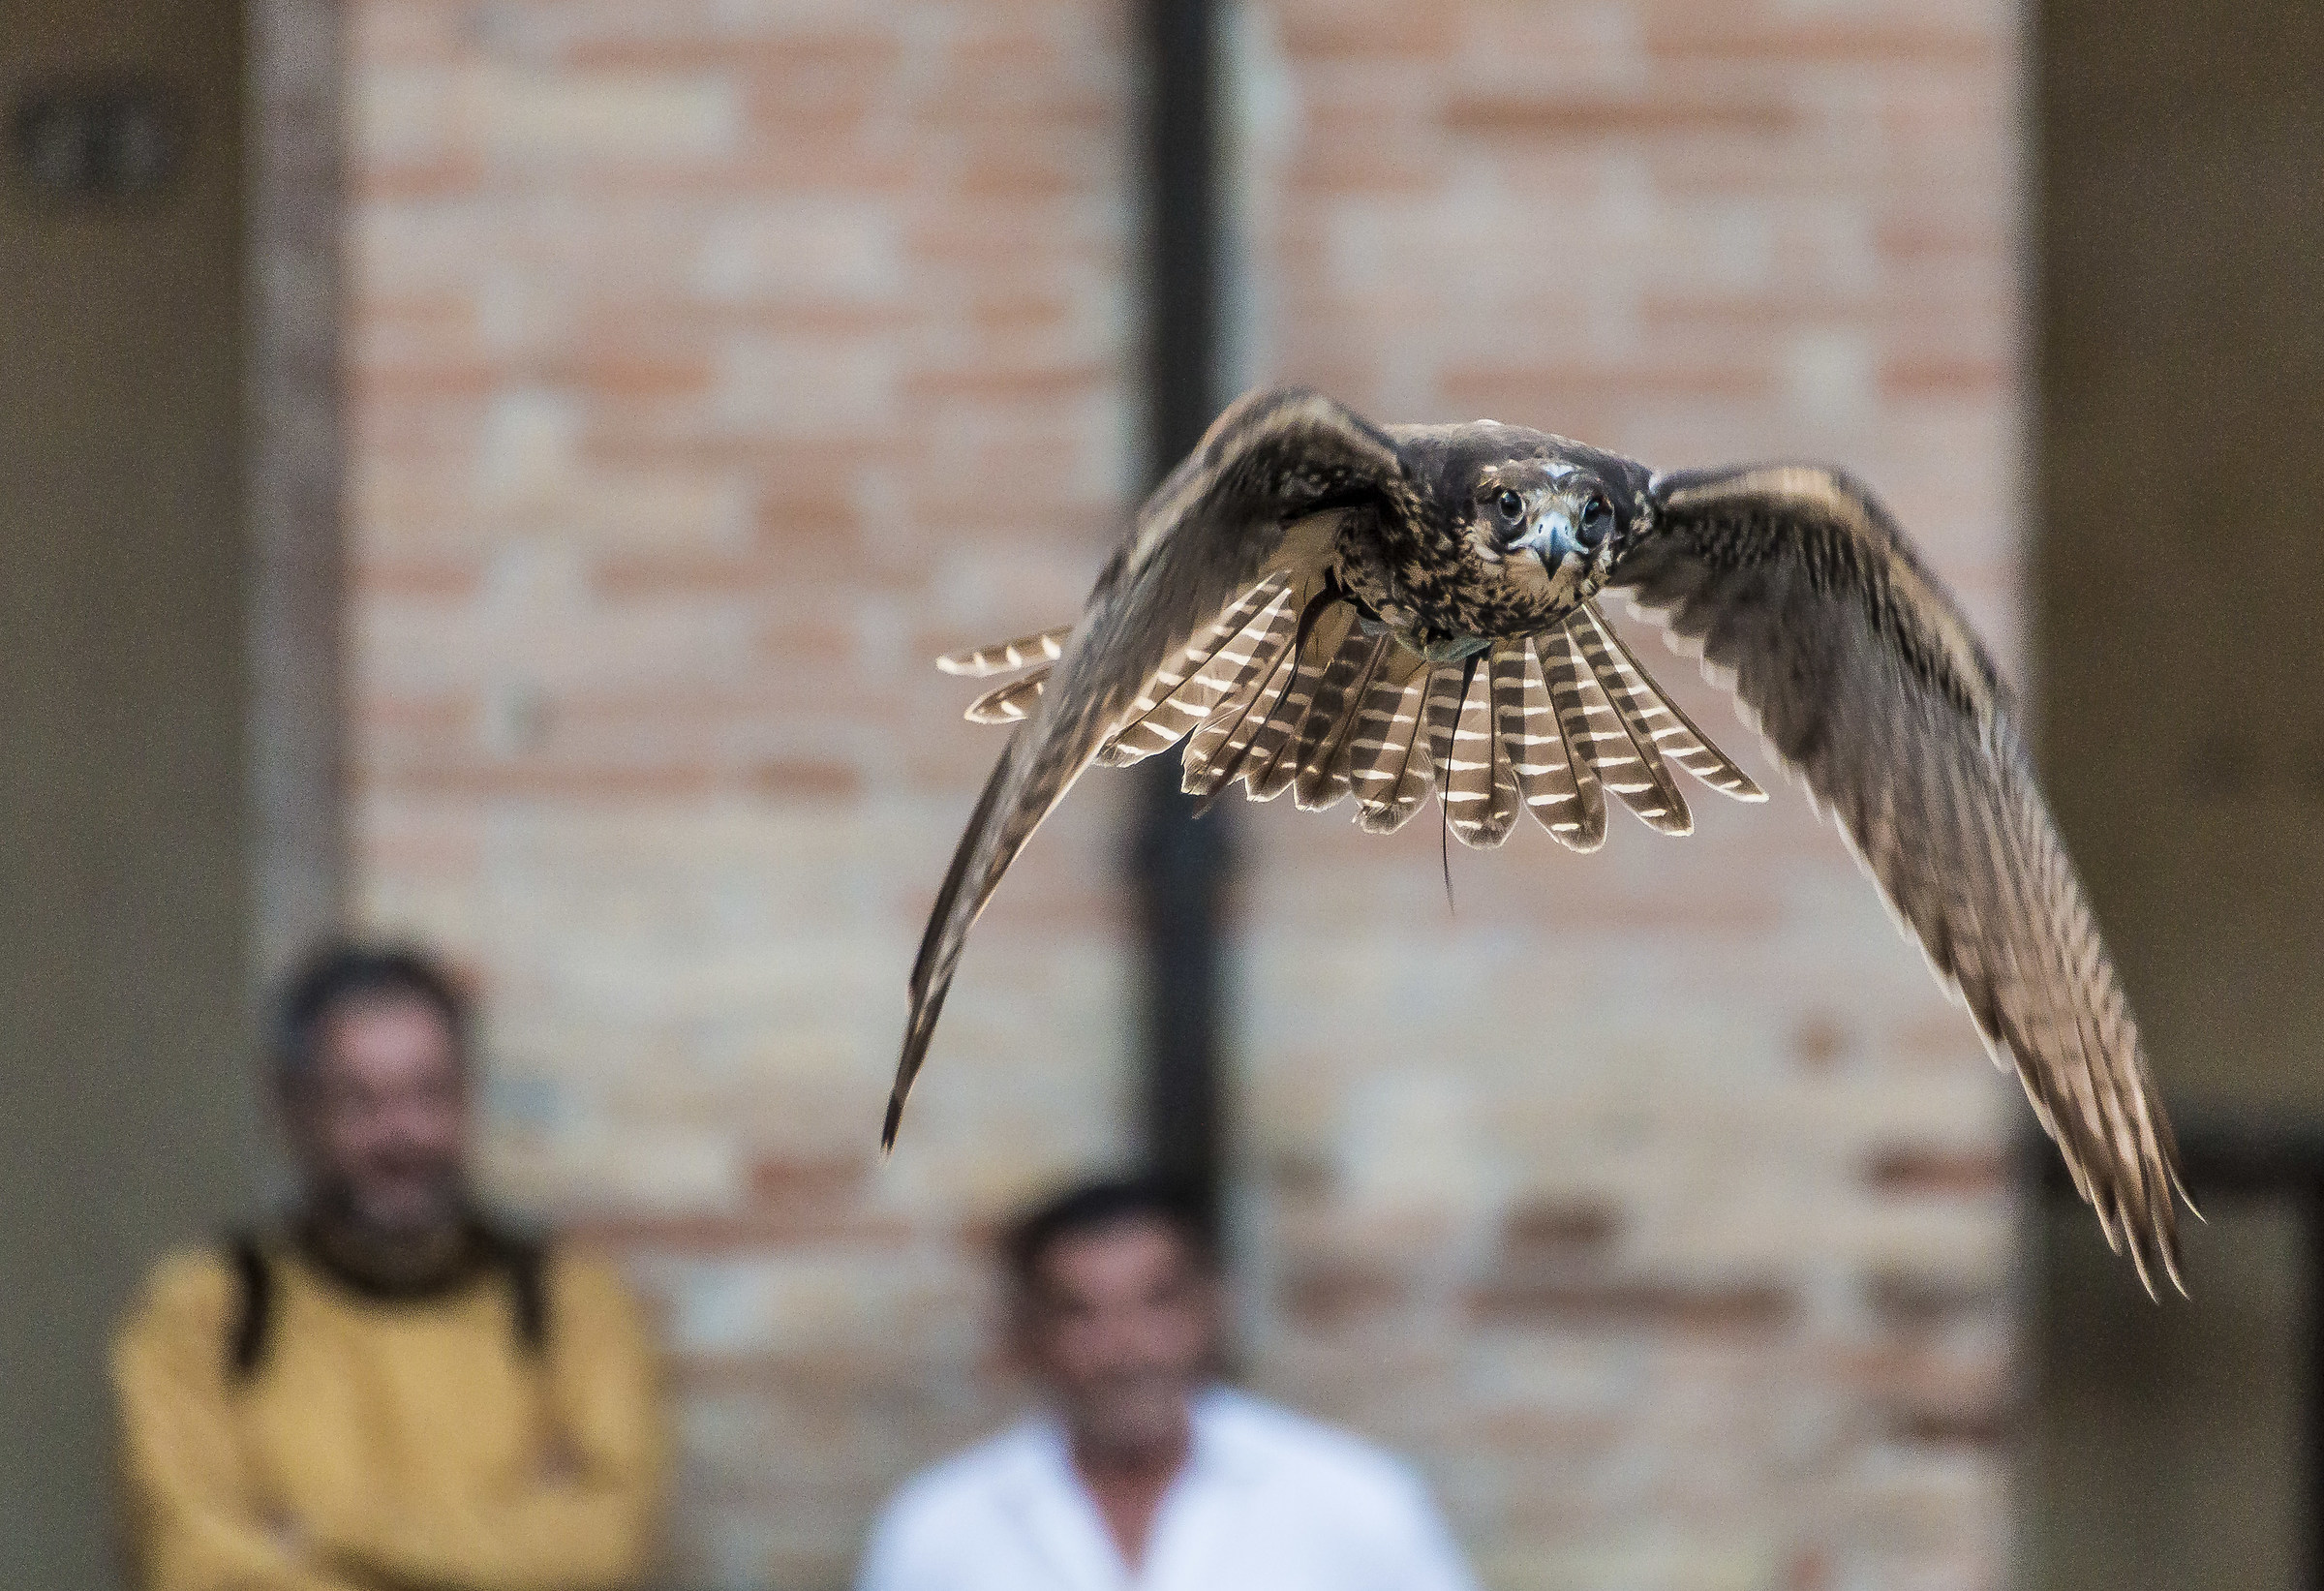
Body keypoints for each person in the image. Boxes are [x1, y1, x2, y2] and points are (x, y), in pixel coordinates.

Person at [111, 943, 667, 1591]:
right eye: (359, 1099)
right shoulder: (203, 1311)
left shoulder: (570, 1304)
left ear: (467, 1100)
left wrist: (314, 1533)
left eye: (428, 1094)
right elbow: (193, 1564)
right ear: (292, 1110)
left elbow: (606, 1544)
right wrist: (502, 1545)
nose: (401, 1134)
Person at [858, 1178, 1478, 1591]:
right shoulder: (940, 1527)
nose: (1125, 1349)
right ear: (1027, 1334)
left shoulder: (1350, 1501)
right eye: (1081, 1312)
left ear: (1214, 1310)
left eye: (1157, 1304)